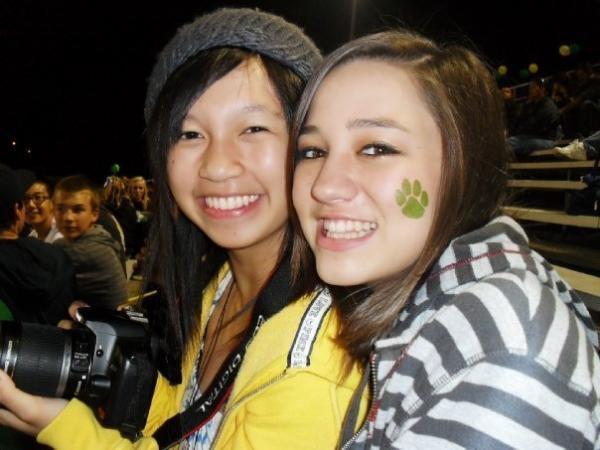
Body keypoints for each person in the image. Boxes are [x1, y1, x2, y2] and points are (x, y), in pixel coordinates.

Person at [0, 8, 367, 450]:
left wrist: (65, 428)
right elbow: (185, 423)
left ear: (310, 144)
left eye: (253, 127)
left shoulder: (313, 367)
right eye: (189, 134)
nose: (215, 166)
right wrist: (115, 375)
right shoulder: (222, 285)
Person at [291, 30, 600, 448]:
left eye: (377, 148)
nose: (324, 186)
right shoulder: (428, 306)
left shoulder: (505, 349)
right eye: (312, 151)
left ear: (464, 166)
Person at [0, 164, 74, 325]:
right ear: (19, 209)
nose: (31, 205)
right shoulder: (36, 241)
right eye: (26, 199)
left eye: (38, 198)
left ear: (52, 203)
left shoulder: (63, 243)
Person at [53, 175, 127, 309]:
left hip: (106, 326)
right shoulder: (97, 234)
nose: (68, 217)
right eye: (61, 209)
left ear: (94, 214)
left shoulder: (91, 249)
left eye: (78, 210)